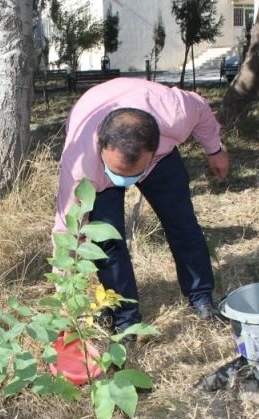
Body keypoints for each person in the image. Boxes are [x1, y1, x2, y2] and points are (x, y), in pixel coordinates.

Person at [53, 78, 229, 334]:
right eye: (118, 172)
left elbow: (201, 110)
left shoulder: (174, 113)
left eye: (133, 173)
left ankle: (201, 297)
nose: (125, 181)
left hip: (160, 163)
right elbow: (66, 232)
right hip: (96, 172)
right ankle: (126, 319)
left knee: (182, 223)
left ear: (155, 146)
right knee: (107, 243)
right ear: (102, 147)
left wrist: (215, 149)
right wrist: (65, 300)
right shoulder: (81, 167)